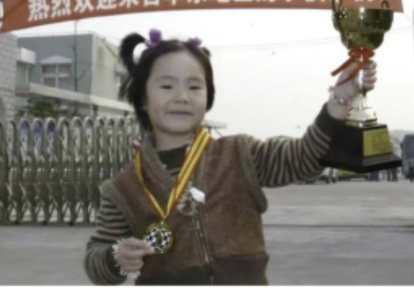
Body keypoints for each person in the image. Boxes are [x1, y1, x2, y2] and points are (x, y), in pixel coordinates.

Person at [83, 29, 377, 285]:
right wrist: (115, 257)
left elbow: (302, 159)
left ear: (208, 96)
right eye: (167, 86)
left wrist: (338, 102)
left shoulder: (240, 154)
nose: (182, 97)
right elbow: (96, 261)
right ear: (143, 99)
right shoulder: (124, 187)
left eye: (194, 86)